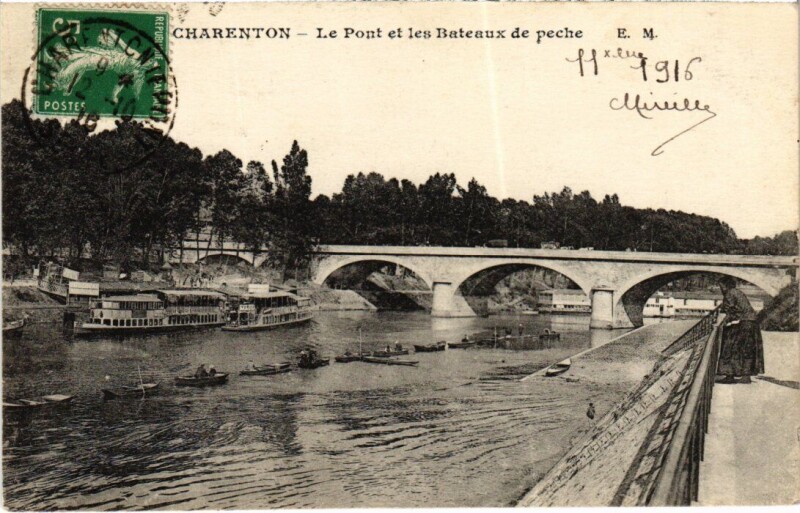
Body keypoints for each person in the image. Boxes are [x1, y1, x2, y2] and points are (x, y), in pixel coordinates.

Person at [717, 276, 764, 384]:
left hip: (744, 323)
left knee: (730, 346)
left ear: (726, 286)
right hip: (752, 323)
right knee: (748, 349)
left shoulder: (729, 293)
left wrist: (721, 323)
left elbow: (729, 311)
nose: (721, 289)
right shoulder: (738, 292)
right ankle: (746, 376)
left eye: (721, 286)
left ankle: (730, 375)